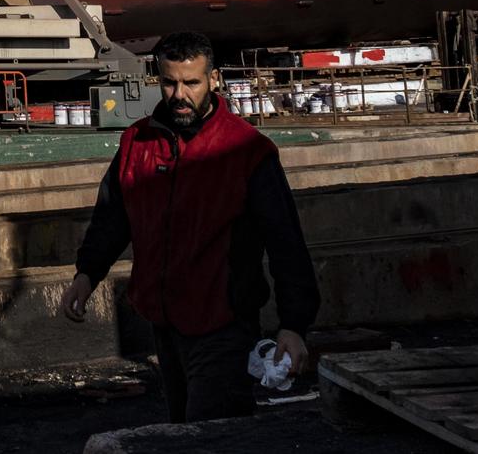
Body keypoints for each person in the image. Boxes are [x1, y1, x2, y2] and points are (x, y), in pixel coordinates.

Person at [59, 31, 319, 422]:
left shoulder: (247, 151)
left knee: (212, 435)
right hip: (164, 325)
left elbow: (286, 242)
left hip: (224, 327)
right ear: (157, 79)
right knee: (181, 427)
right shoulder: (137, 142)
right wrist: (87, 273)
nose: (180, 94)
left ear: (213, 80)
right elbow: (113, 216)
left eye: (191, 82)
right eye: (170, 82)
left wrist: (293, 325)